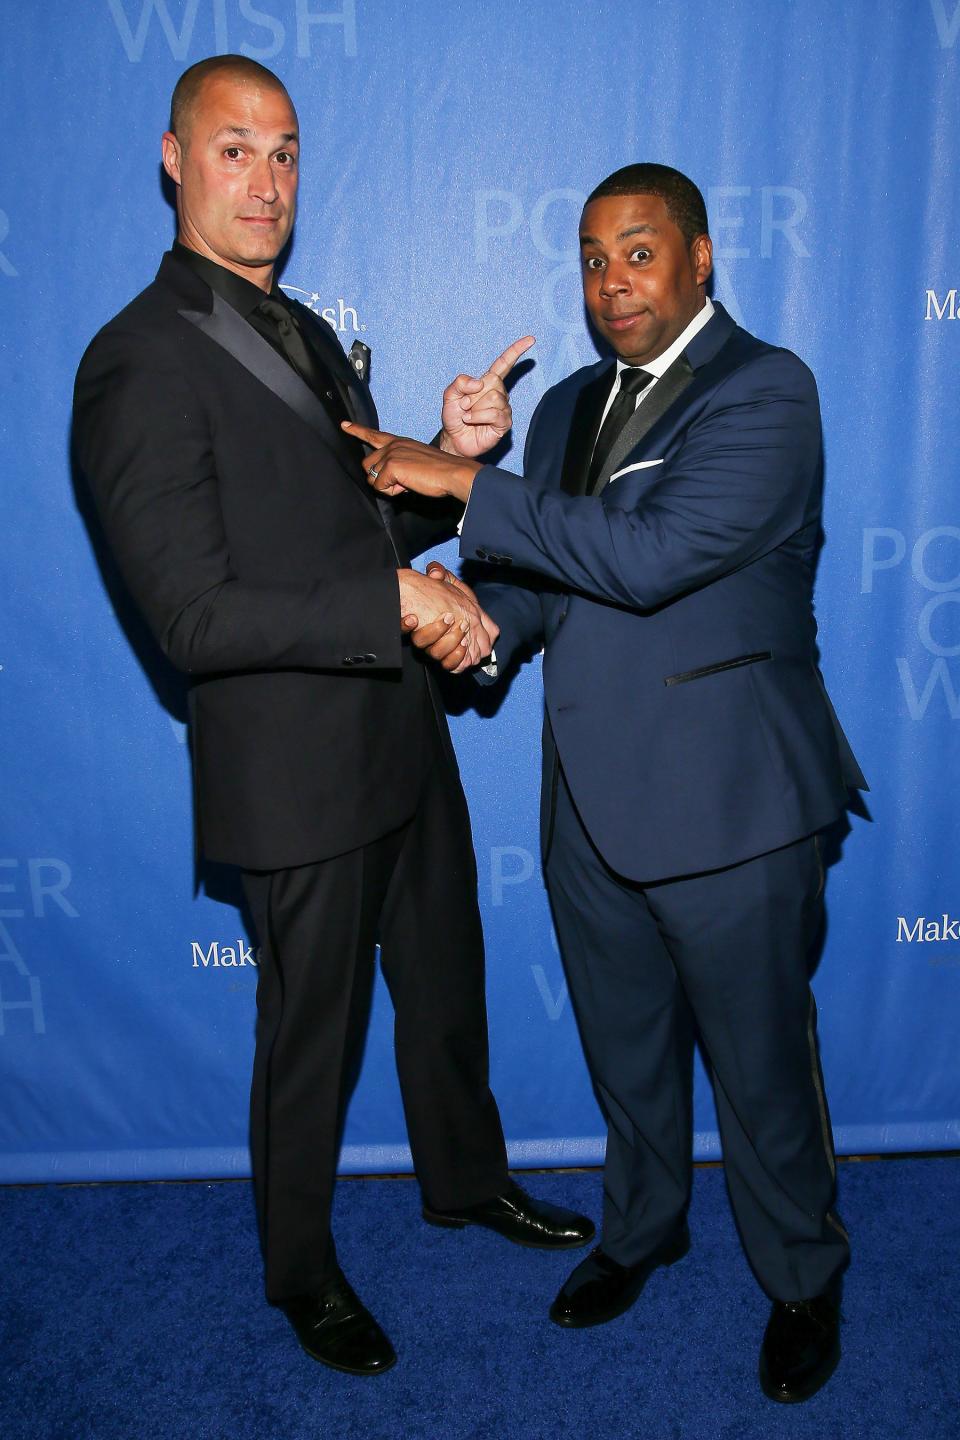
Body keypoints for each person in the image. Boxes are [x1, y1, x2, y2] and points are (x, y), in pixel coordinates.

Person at [72, 54, 593, 1379]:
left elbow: (366, 520)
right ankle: (299, 1274)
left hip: (400, 729)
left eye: (287, 151)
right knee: (312, 1034)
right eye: (235, 149)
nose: (267, 180)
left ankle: (466, 1180)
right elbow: (192, 621)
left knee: (446, 981)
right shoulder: (135, 361)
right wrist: (396, 606)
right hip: (293, 762)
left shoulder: (299, 329)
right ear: (175, 161)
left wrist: (453, 455)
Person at [346, 163, 865, 1404]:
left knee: (759, 1068)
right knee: (627, 1054)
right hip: (588, 798)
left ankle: (803, 1276)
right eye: (591, 257)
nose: (611, 280)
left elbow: (655, 556)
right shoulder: (570, 407)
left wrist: (463, 480)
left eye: (638, 251)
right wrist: (477, 619)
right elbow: (552, 578)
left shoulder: (767, 392)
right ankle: (644, 1226)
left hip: (736, 805)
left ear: (699, 260)